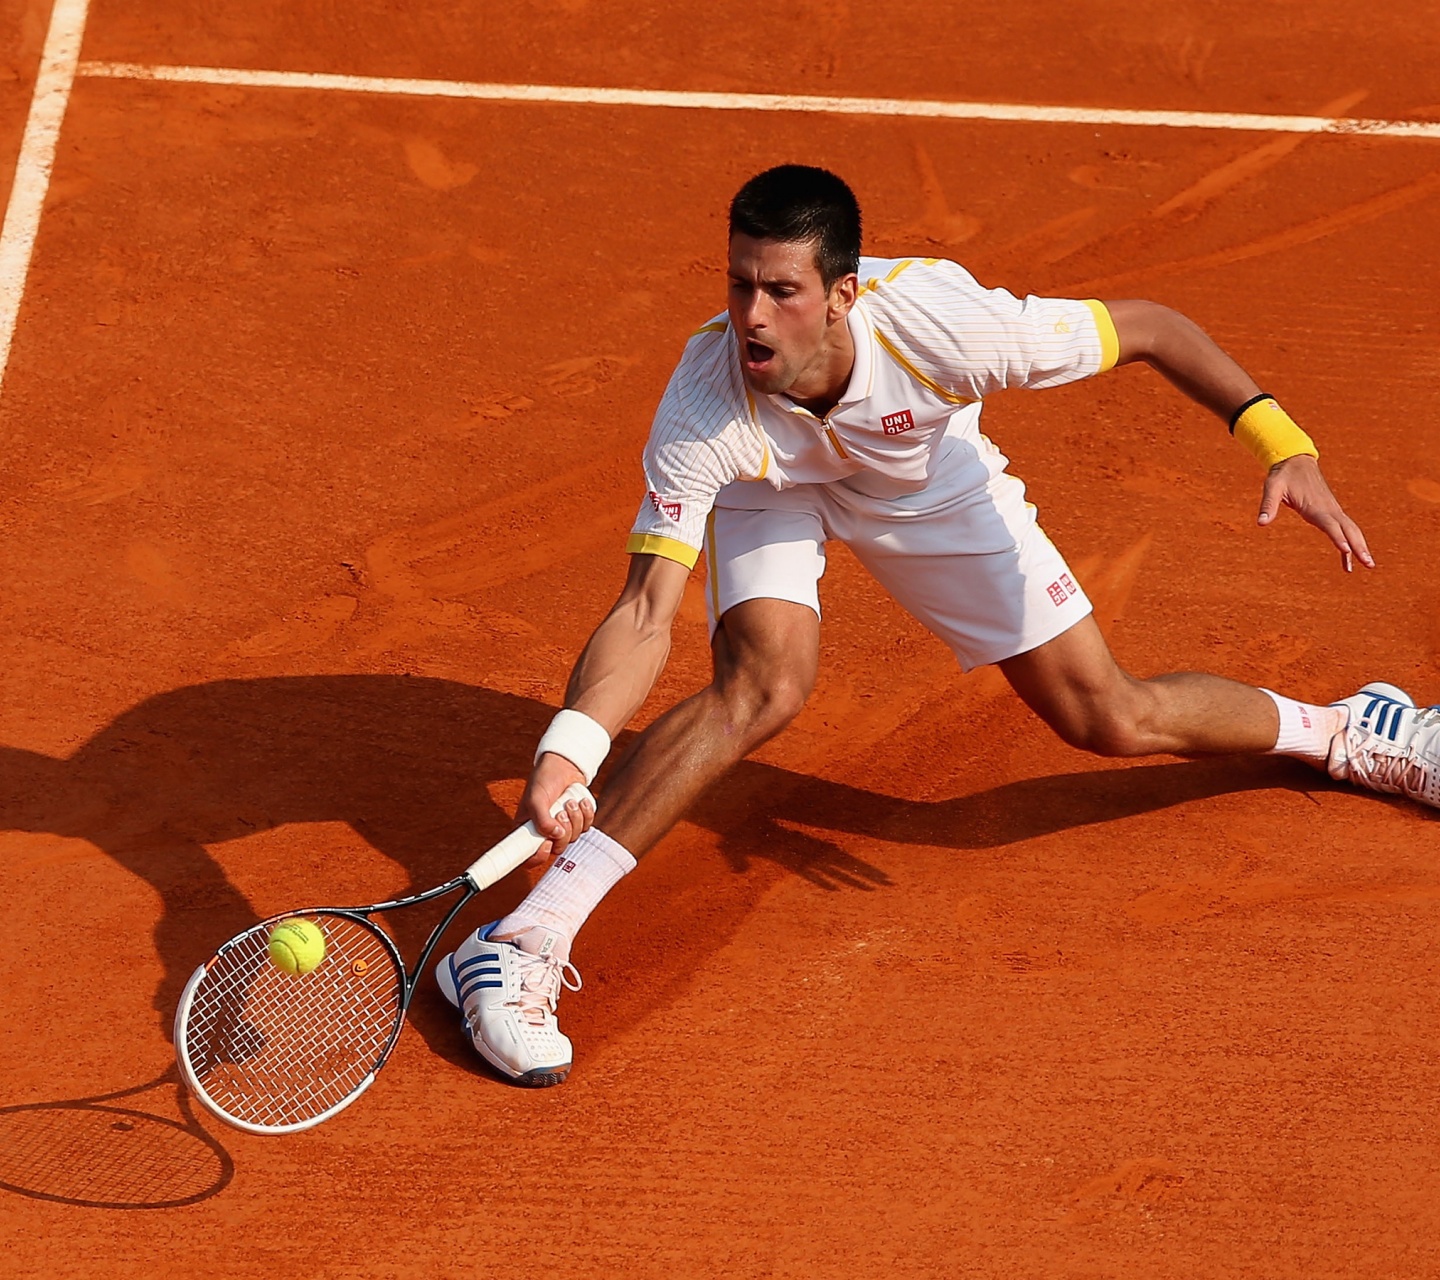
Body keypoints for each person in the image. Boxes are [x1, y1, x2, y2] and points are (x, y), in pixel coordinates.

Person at [435, 164, 1438, 1087]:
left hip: (926, 484)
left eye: (780, 290)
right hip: (772, 479)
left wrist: (1279, 438)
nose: (750, 315)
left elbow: (1156, 329)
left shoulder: (950, 327)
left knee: (1109, 715)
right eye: (739, 283)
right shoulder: (707, 402)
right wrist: (574, 742)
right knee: (764, 684)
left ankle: (1349, 728)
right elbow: (647, 609)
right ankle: (524, 936)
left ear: (842, 293)